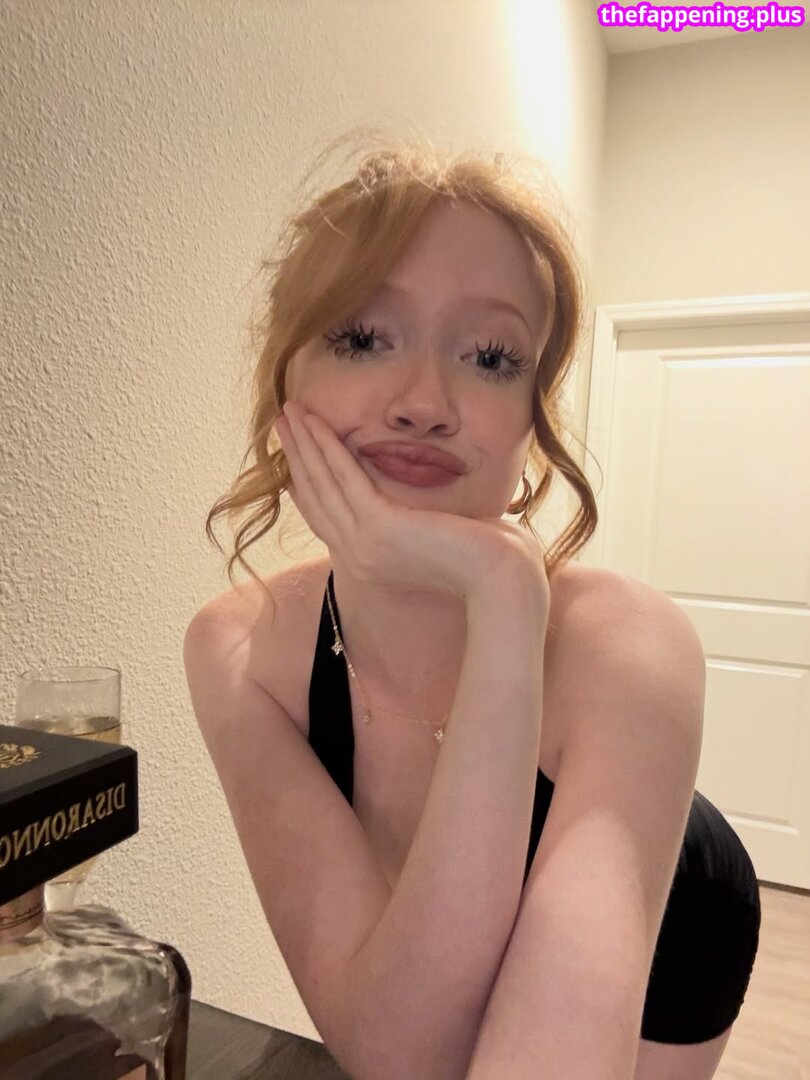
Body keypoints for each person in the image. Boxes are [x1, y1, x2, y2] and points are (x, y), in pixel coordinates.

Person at [184, 131, 760, 1080]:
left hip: (678, 932)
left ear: (532, 417)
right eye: (361, 337)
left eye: (492, 356)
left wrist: (508, 599)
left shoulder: (630, 644)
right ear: (284, 377)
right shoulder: (241, 651)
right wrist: (497, 585)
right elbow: (402, 1054)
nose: (425, 402)